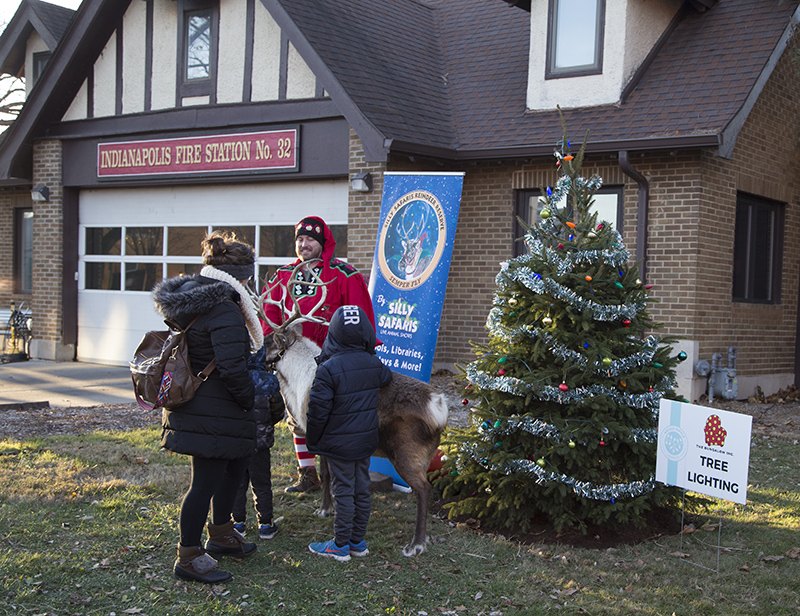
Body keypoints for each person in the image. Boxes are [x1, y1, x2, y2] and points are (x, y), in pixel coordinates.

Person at [152, 231, 264, 584]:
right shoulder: (225, 309)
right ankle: (188, 555)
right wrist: (251, 399)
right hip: (214, 409)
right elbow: (232, 368)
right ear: (242, 276)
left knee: (233, 470)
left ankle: (221, 535)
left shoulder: (198, 299)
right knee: (204, 482)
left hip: (208, 407)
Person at [262, 216, 377, 494]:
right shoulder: (282, 276)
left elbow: (360, 317)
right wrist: (272, 345)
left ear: (323, 243)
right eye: (300, 239)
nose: (304, 244)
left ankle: (336, 476)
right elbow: (269, 316)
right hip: (294, 362)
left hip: (333, 360)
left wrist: (362, 352)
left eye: (310, 239)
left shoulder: (344, 274)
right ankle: (308, 474)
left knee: (332, 420)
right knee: (296, 416)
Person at [306, 305, 392, 561]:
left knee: (343, 490)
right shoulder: (373, 364)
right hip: (365, 440)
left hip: (339, 444)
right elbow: (386, 378)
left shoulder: (328, 369)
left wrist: (313, 440)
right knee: (361, 488)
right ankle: (358, 541)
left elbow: (317, 411)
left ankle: (340, 545)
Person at [231, 346, 285, 540]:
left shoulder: (231, 379)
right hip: (260, 443)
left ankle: (237, 522)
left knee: (237, 483)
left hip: (236, 442)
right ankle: (266, 525)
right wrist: (268, 423)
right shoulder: (269, 381)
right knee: (262, 484)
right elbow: (278, 410)